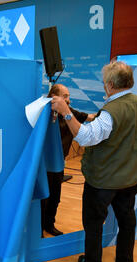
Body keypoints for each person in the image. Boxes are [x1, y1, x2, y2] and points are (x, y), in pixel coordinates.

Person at [51, 61, 137, 262]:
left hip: (103, 182)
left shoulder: (110, 112)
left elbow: (86, 137)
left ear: (109, 85)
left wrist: (66, 112)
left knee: (94, 222)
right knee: (127, 221)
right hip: (131, 179)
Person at [41, 84, 95, 237]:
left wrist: (107, 115)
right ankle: (38, 230)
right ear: (54, 97)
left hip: (59, 164)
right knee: (43, 200)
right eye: (65, 96)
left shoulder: (69, 112)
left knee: (55, 199)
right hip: (44, 166)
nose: (68, 100)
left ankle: (49, 225)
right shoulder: (44, 113)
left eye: (68, 96)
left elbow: (90, 117)